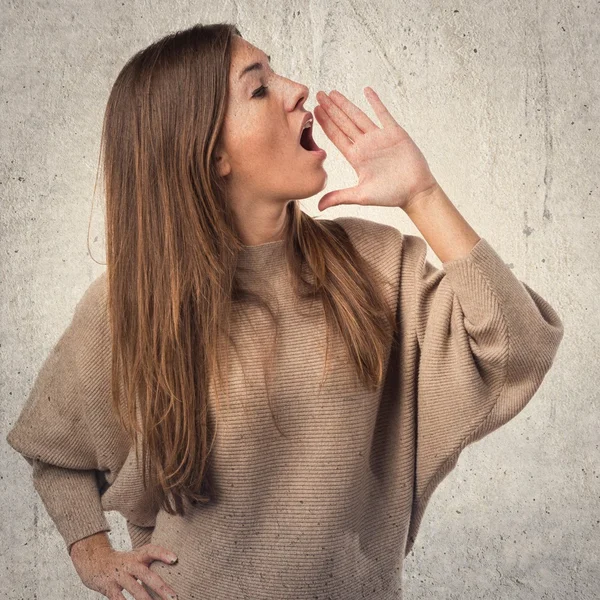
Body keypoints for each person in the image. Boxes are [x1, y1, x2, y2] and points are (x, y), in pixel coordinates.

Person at [5, 22, 564, 600]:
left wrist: (422, 196)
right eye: (258, 88)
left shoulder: (374, 266)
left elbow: (521, 345)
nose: (297, 89)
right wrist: (94, 557)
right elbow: (57, 452)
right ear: (212, 152)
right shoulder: (128, 305)